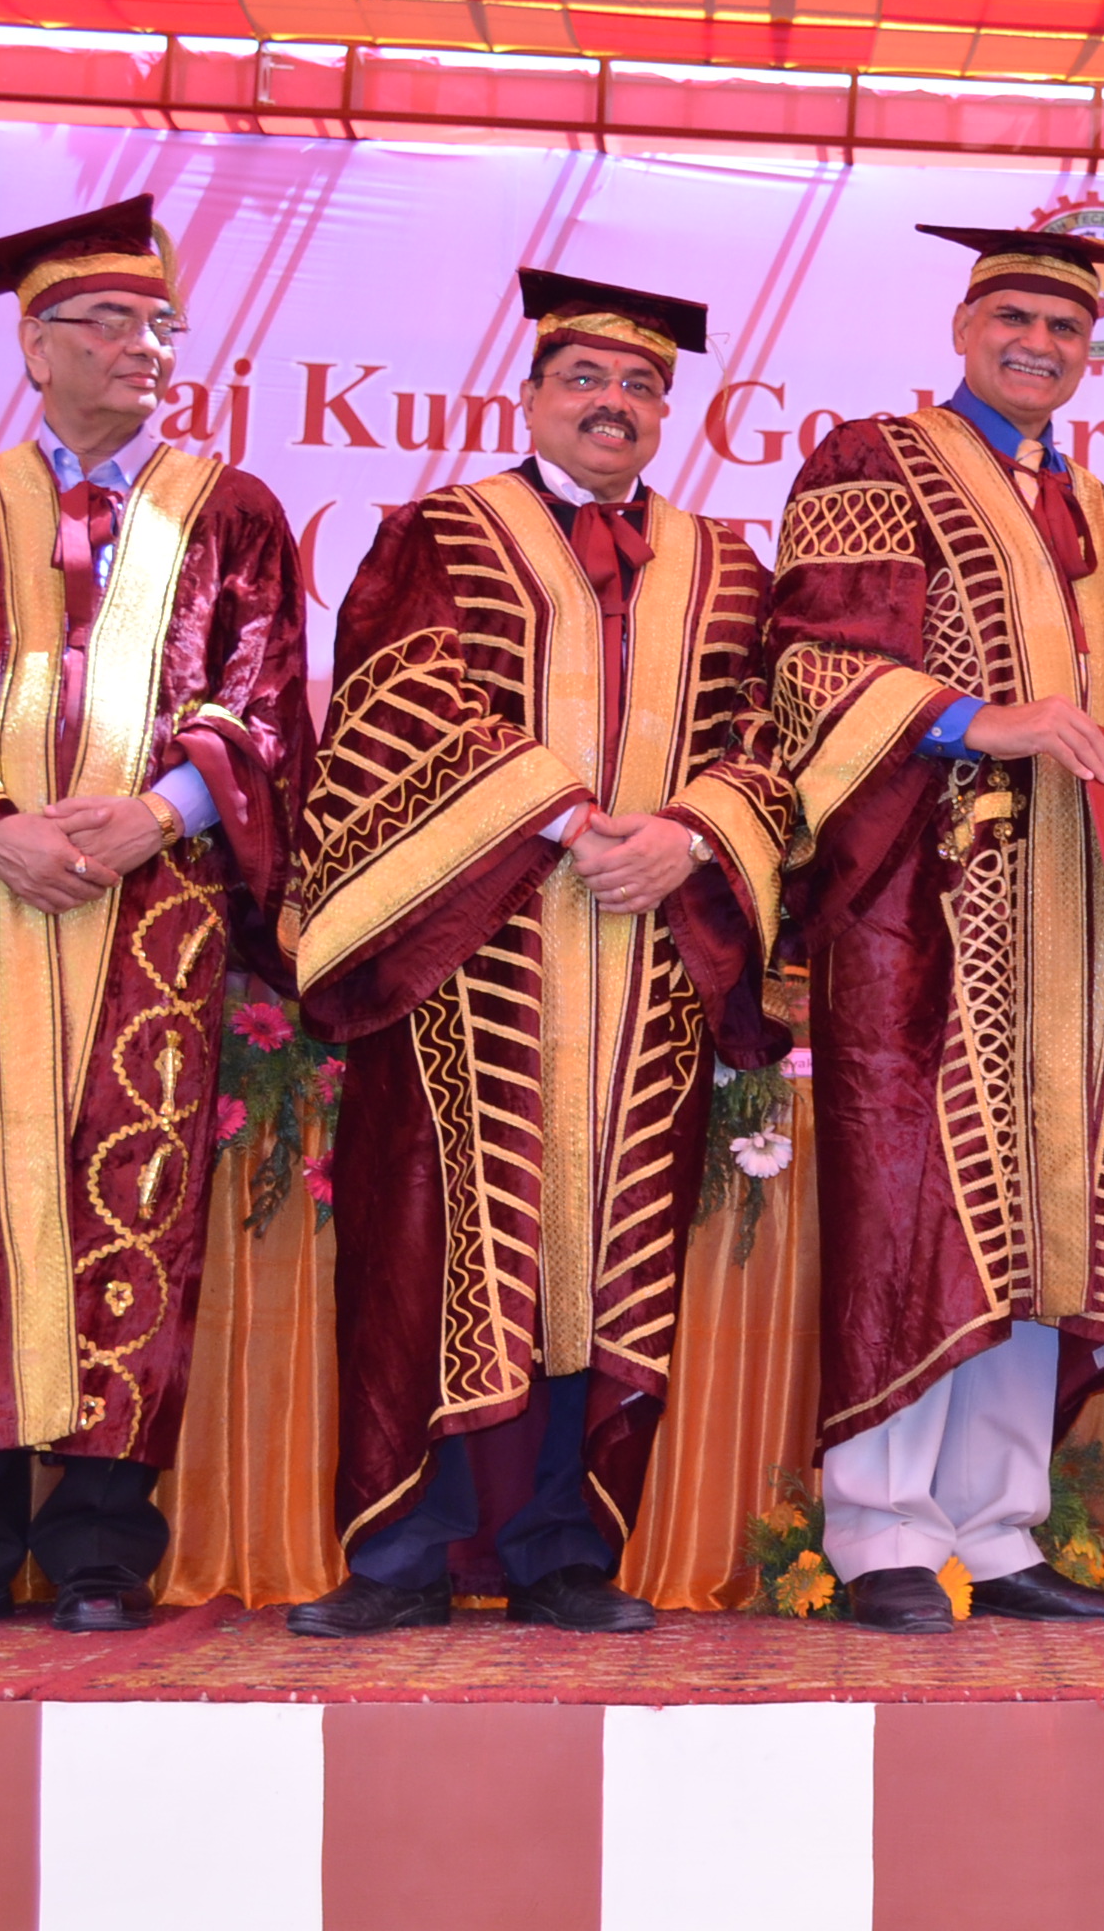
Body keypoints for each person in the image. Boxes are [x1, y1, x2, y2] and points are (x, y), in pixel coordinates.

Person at [285, 272, 792, 1639]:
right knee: (440, 1239)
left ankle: (564, 1550)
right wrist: (565, 816)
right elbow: (400, 700)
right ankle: (406, 1550)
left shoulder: (725, 566)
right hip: (472, 959)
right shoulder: (441, 534)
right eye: (584, 380)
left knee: (610, 1253)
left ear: (668, 413)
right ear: (528, 396)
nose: (612, 404)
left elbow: (772, 743)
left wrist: (692, 834)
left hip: (646, 967)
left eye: (639, 387)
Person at [0, 195, 308, 1631]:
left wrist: (161, 813)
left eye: (160, 323)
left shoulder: (230, 510)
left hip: (154, 907)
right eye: (108, 321)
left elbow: (267, 700)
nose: (143, 345)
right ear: (35, 346)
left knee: (135, 1199)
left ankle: (105, 1546)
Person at [763, 223, 1104, 1633]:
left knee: (1052, 1212)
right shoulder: (871, 461)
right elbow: (812, 660)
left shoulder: (1103, 513)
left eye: (1066, 327)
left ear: (1095, 353)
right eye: (1014, 317)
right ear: (964, 329)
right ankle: (882, 1531)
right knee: (923, 1202)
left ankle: (999, 1525)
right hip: (928, 899)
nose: (1039, 343)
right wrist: (974, 719)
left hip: (1084, 911)